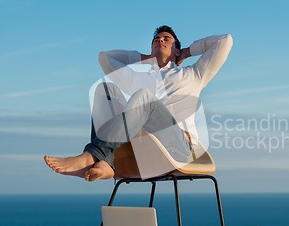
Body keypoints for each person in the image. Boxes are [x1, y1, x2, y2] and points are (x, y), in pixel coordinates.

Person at [44, 25, 233, 181]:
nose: (160, 40)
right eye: (156, 39)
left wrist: (187, 52)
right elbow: (105, 57)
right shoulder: (137, 78)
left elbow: (225, 41)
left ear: (176, 50)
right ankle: (106, 163)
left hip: (178, 148)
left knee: (144, 97)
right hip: (140, 149)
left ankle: (93, 155)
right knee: (104, 91)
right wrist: (146, 58)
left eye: (167, 39)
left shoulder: (193, 75)